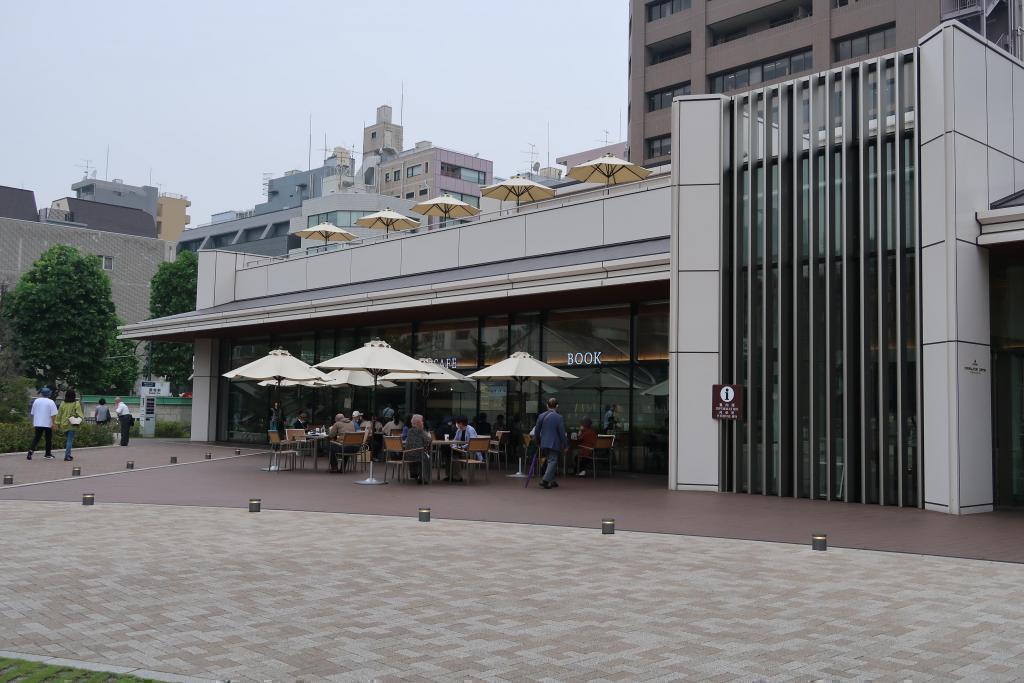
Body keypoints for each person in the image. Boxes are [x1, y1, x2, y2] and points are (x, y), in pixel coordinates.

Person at [534, 397, 568, 490]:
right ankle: (545, 480)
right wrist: (565, 445)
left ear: (547, 405)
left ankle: (551, 480)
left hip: (544, 442)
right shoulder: (559, 417)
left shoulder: (541, 416)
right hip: (554, 443)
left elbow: (537, 430)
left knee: (549, 460)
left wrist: (537, 441)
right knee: (553, 460)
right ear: (557, 406)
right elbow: (561, 432)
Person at [27, 387, 58, 460]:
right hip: (47, 423)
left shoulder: (36, 401)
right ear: (49, 394)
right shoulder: (51, 402)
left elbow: (32, 413)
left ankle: (30, 452)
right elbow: (53, 414)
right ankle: (47, 454)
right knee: (48, 439)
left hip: (37, 423)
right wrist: (54, 423)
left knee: (36, 438)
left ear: (42, 394)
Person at [56, 389, 85, 462]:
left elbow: (59, 414)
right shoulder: (76, 403)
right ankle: (67, 456)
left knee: (67, 440)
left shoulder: (63, 403)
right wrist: (81, 420)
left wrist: (57, 422)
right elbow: (80, 414)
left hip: (63, 424)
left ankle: (68, 454)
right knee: (70, 440)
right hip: (72, 424)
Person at [404, 414, 432, 484]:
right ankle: (424, 478)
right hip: (418, 454)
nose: (423, 423)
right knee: (427, 458)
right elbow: (428, 440)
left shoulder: (409, 431)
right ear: (418, 423)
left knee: (420, 455)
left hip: (407, 455)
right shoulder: (421, 431)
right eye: (422, 421)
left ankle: (415, 474)